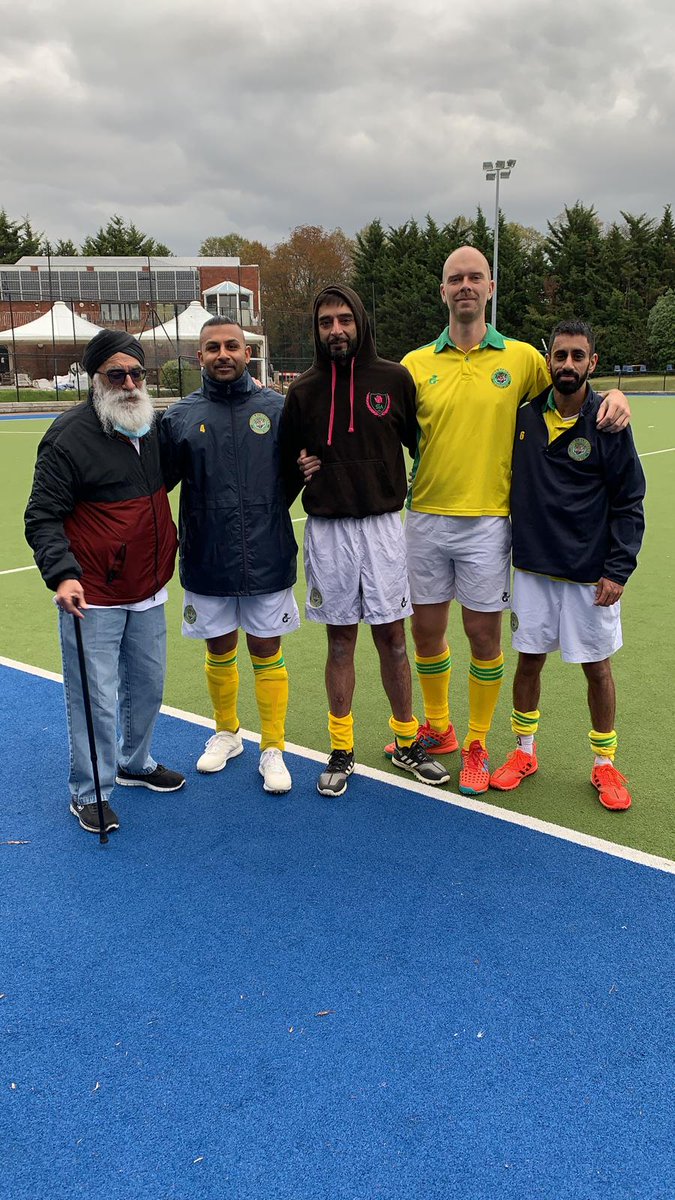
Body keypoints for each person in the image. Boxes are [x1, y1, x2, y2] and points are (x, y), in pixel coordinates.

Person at [398, 246, 631, 796]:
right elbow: (400, 434)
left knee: (484, 637)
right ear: (443, 291)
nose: (465, 286)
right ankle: (441, 729)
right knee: (426, 632)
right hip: (426, 516)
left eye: (475, 276)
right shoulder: (415, 365)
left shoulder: (525, 358)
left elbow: (569, 393)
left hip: (489, 522)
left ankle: (479, 742)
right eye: (455, 278)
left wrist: (615, 392)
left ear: (491, 287)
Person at [280, 284, 450, 797]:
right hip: (328, 530)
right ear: (317, 329)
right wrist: (298, 465)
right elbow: (286, 462)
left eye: (344, 319)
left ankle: (405, 742)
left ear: (361, 323)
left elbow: (426, 445)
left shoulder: (394, 379)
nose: (336, 330)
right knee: (340, 642)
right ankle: (342, 747)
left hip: (382, 528)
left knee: (394, 640)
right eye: (326, 321)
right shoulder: (303, 391)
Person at [24, 330, 184, 835]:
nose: (131, 383)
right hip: (92, 594)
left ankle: (134, 763)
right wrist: (63, 574)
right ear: (95, 379)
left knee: (148, 686)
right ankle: (90, 789)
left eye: (137, 373)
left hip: (149, 586)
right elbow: (42, 516)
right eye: (117, 375)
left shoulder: (152, 427)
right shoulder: (68, 436)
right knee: (94, 694)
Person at [489, 320, 645, 809]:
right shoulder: (525, 417)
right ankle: (524, 752)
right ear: (548, 360)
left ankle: (604, 764)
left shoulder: (608, 422)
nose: (568, 365)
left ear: (592, 363)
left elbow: (630, 500)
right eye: (561, 356)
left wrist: (618, 568)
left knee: (597, 669)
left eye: (578, 356)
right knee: (529, 661)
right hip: (534, 569)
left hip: (589, 575)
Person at [159, 317, 304, 794]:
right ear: (199, 356)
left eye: (232, 346)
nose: (224, 354)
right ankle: (227, 732)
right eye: (213, 347)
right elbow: (157, 485)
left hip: (267, 551)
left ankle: (273, 747)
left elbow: (297, 474)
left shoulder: (278, 409)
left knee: (266, 649)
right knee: (218, 647)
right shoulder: (178, 416)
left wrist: (264, 511)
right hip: (207, 553)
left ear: (247, 353)